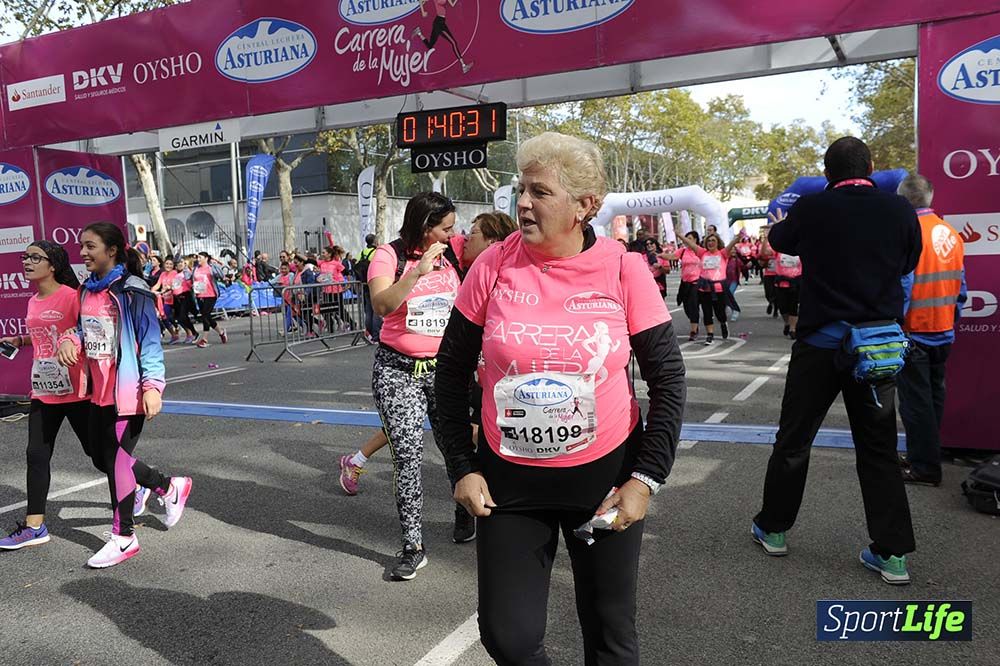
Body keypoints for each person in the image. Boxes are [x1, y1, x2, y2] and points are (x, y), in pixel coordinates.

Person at [435, 132, 686, 665]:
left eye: (540, 192)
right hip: (508, 481)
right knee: (508, 637)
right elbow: (451, 373)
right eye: (521, 189)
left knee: (609, 633)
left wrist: (644, 479)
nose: (523, 202)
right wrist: (461, 465)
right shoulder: (493, 266)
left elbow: (668, 382)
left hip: (604, 477)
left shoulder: (624, 269)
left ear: (585, 206)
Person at [750, 137, 922, 585]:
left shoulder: (812, 207)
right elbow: (909, 260)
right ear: (870, 166)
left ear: (827, 174)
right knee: (879, 448)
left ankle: (774, 529)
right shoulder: (899, 210)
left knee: (794, 440)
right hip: (877, 348)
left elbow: (779, 239)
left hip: (820, 345)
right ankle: (893, 553)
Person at [0, 241, 185, 553]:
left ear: (53, 264)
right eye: (25, 257)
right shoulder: (33, 301)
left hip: (79, 392)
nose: (27, 262)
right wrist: (20, 339)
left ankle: (165, 485)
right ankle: (35, 527)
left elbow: (86, 330)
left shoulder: (73, 296)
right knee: (36, 454)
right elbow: (47, 334)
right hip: (44, 391)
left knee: (105, 459)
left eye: (35, 257)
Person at [54, 223, 193, 568]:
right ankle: (167, 486)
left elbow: (149, 343)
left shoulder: (133, 291)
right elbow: (82, 330)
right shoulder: (87, 289)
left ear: (112, 250)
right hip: (96, 392)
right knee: (103, 460)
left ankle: (124, 537)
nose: (83, 253)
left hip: (127, 392)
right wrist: (69, 340)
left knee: (116, 464)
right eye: (81, 246)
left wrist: (153, 388)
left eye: (90, 246)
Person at [365, 191, 462, 580]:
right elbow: (382, 305)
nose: (452, 235)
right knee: (407, 455)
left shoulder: (454, 252)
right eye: (445, 228)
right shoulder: (388, 255)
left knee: (453, 446)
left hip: (444, 369)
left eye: (454, 229)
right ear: (424, 227)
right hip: (397, 369)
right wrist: (417, 271)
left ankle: (463, 509)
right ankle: (413, 545)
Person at [895, 174, 966, 486]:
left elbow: (905, 284)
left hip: (915, 332)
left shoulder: (907, 233)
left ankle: (923, 467)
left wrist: (897, 322)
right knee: (934, 398)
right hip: (943, 328)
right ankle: (925, 455)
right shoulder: (951, 234)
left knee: (915, 404)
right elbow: (961, 288)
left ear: (903, 200)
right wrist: (951, 318)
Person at [676, 228, 738, 345]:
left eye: (713, 241)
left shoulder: (723, 253)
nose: (711, 243)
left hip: (719, 288)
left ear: (717, 242)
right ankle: (710, 335)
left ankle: (723, 323)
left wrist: (738, 238)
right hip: (704, 288)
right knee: (707, 312)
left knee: (720, 312)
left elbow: (731, 245)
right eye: (709, 241)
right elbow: (690, 243)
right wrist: (679, 235)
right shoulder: (702, 253)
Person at [760, 230, 802, 338]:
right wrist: (766, 238)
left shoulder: (800, 249)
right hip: (781, 283)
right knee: (783, 307)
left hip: (795, 282)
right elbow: (764, 253)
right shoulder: (778, 251)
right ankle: (787, 323)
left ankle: (793, 329)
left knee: (794, 306)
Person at [413, 0, 473, 74]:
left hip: (440, 21)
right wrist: (423, 12)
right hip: (439, 23)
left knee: (430, 46)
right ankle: (463, 66)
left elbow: (452, 4)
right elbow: (421, 1)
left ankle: (419, 33)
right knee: (453, 43)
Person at [192, 252, 228, 348]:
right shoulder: (196, 268)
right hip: (200, 294)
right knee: (206, 316)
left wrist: (215, 264)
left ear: (206, 258)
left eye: (200, 257)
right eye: (198, 257)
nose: (198, 259)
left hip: (210, 294)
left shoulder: (211, 267)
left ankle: (204, 339)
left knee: (205, 315)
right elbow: (191, 279)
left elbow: (220, 275)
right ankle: (221, 332)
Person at [674, 231, 703, 341]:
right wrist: (661, 255)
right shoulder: (683, 251)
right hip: (685, 282)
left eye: (689, 238)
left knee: (693, 305)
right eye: (686, 238)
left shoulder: (699, 251)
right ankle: (694, 322)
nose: (687, 241)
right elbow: (673, 256)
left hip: (697, 282)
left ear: (695, 240)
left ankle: (693, 330)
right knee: (686, 307)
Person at [356, 234, 382, 343]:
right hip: (374, 282)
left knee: (368, 310)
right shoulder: (377, 252)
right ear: (375, 241)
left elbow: (356, 264)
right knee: (377, 310)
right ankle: (376, 335)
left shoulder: (362, 253)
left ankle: (369, 333)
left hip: (364, 284)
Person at [151, 257, 182, 344]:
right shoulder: (163, 274)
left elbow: (176, 285)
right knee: (163, 316)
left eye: (170, 264)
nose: (168, 266)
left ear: (173, 266)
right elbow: (158, 284)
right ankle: (174, 335)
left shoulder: (175, 273)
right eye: (167, 264)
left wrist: (169, 288)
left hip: (174, 298)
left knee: (172, 316)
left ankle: (179, 328)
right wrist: (151, 290)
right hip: (165, 299)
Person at [170, 258, 198, 344]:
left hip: (186, 295)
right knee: (179, 318)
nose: (180, 264)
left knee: (183, 316)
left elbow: (190, 281)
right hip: (178, 297)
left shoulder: (186, 272)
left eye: (182, 262)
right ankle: (192, 332)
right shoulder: (175, 274)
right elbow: (175, 286)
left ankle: (194, 333)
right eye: (178, 263)